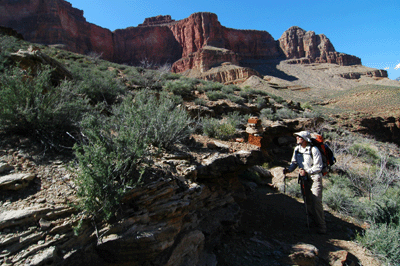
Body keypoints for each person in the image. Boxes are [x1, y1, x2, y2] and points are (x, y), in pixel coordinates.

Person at [284, 130, 327, 234]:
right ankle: (312, 221)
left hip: (314, 177)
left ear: (304, 139)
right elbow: (294, 162)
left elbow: (319, 166)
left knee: (316, 201)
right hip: (304, 178)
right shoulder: (297, 149)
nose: (297, 138)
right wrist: (289, 170)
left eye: (299, 137)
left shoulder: (314, 150)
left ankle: (322, 226)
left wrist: (307, 171)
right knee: (307, 200)